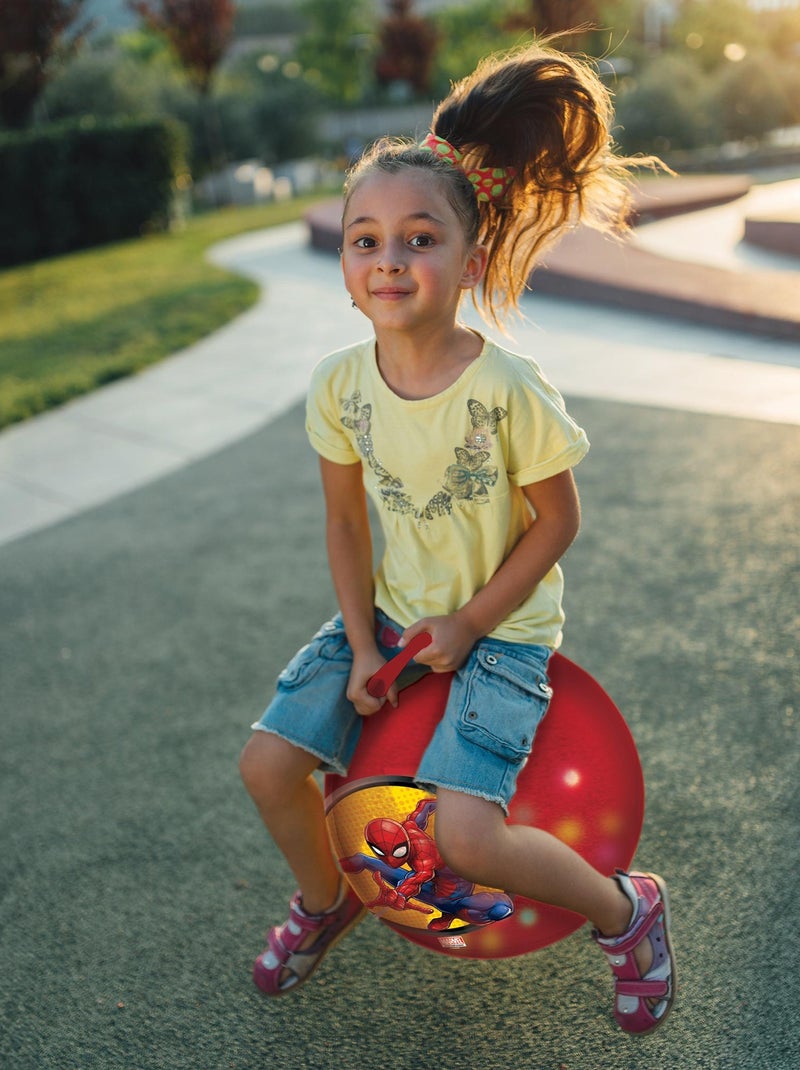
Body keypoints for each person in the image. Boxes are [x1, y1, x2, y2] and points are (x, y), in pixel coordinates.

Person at [239, 40, 676, 1034]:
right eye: (365, 239)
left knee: (467, 837)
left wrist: (473, 622)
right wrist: (359, 643)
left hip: (503, 632)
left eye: (418, 238)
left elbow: (557, 518)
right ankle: (326, 898)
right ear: (344, 264)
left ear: (469, 257)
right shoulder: (338, 387)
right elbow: (345, 522)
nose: (389, 260)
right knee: (266, 767)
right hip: (389, 618)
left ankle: (626, 908)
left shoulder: (509, 388)